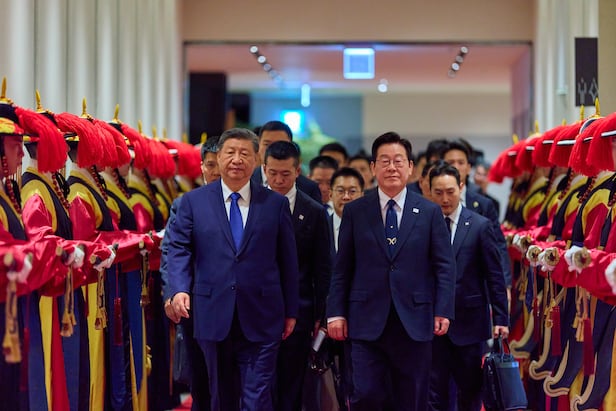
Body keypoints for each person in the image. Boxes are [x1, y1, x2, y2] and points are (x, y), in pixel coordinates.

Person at [166, 127, 300, 411]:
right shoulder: (193, 202)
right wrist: (178, 289)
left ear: (257, 159)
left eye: (244, 153)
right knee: (221, 396)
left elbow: (288, 261)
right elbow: (179, 249)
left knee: (257, 396)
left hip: (263, 314)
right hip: (212, 312)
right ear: (219, 157)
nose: (237, 159)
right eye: (230, 152)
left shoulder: (275, 204)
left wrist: (291, 311)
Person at [327, 131, 456, 411]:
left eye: (398, 161)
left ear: (410, 167)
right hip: (365, 319)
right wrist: (335, 312)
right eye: (384, 161)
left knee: (412, 397)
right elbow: (342, 267)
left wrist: (443, 310)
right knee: (366, 394)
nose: (392, 167)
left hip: (415, 320)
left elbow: (444, 266)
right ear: (373, 168)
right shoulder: (356, 211)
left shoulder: (429, 212)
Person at [427, 163, 509, 411]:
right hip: (431, 323)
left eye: (450, 191)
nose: (445, 199)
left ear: (461, 187)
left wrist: (501, 318)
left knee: (470, 391)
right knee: (434, 394)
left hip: (470, 322)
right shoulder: (423, 224)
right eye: (438, 192)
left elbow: (494, 275)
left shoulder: (479, 225)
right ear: (429, 191)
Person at [262, 140, 332, 411]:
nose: (279, 180)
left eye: (286, 174)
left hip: (300, 309)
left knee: (292, 381)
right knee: (259, 381)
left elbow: (322, 268)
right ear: (264, 169)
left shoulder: (313, 211)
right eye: (273, 173)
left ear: (298, 171)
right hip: (256, 307)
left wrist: (320, 314)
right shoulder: (251, 205)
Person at [162, 136, 219, 411]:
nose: (215, 171)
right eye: (210, 165)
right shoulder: (185, 203)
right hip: (196, 301)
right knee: (200, 379)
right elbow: (171, 251)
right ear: (202, 166)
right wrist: (172, 292)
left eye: (219, 164)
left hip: (237, 303)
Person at [442, 139, 512, 288]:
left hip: (475, 286)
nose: (455, 167)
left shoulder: (484, 204)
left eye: (461, 162)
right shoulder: (432, 204)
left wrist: (505, 284)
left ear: (468, 168)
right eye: (450, 162)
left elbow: (498, 245)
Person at [251, 120, 322, 203]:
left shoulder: (309, 188)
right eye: (267, 144)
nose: (274, 149)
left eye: (280, 143)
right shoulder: (246, 180)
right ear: (258, 145)